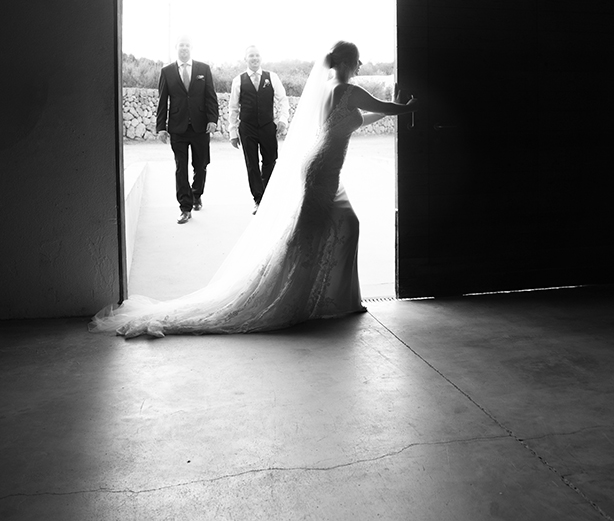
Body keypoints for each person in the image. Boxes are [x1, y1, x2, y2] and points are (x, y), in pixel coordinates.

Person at [91, 41, 416, 337]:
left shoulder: (336, 89)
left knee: (331, 227)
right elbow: (388, 109)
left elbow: (364, 118)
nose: (361, 66)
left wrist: (398, 108)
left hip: (324, 169)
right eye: (358, 61)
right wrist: (407, 106)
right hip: (323, 172)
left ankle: (335, 298)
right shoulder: (347, 89)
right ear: (346, 62)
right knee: (325, 230)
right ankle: (313, 297)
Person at [156, 36, 219, 224]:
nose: (184, 48)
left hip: (200, 126)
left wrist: (213, 120)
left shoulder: (203, 69)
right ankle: (185, 207)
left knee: (201, 165)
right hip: (178, 127)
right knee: (180, 167)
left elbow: (211, 96)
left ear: (191, 48)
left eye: (187, 45)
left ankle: (196, 193)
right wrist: (161, 127)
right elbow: (162, 101)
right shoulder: (166, 71)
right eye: (181, 45)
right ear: (176, 48)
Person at [229, 45, 289, 214]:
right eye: (251, 56)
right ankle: (259, 199)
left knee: (270, 161)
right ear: (245, 59)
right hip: (247, 128)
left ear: (260, 58)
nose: (254, 58)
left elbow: (282, 100)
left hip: (267, 126)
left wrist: (283, 119)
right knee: (252, 164)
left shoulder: (272, 77)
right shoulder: (238, 80)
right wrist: (233, 132)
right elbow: (233, 108)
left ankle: (267, 194)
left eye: (257, 56)